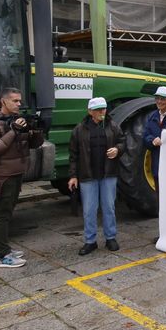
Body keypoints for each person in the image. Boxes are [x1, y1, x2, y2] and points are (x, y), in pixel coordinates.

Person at [0, 88, 44, 268]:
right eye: (15, 101)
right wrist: (14, 131)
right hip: (2, 176)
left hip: (16, 173)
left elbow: (33, 145)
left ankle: (1, 249)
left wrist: (36, 131)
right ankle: (2, 256)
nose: (19, 104)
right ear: (3, 101)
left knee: (7, 213)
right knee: (1, 215)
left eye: (19, 101)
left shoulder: (16, 121)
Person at [68, 97, 124, 255]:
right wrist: (73, 176)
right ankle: (90, 241)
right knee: (89, 210)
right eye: (99, 110)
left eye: (104, 109)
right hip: (88, 175)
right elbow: (73, 154)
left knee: (109, 208)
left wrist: (118, 149)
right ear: (90, 111)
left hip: (108, 174)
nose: (102, 112)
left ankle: (110, 238)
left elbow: (123, 141)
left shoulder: (113, 126)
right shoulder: (79, 129)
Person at [143, 86, 166, 188]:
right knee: (159, 197)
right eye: (157, 98)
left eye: (163, 99)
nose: (159, 101)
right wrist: (152, 141)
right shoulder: (152, 116)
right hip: (157, 166)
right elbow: (145, 137)